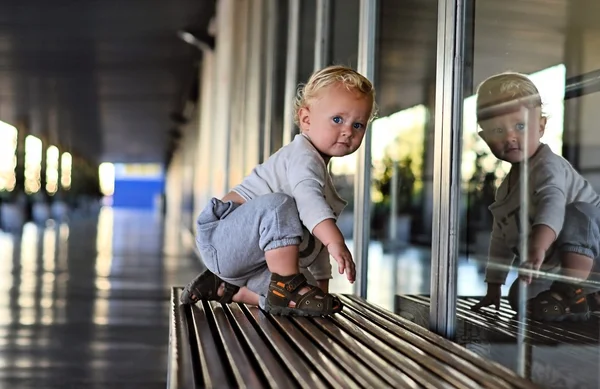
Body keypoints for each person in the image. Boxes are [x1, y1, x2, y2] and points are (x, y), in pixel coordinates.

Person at [179, 65, 377, 316]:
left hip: (252, 259)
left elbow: (315, 245)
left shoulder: (321, 178)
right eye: (337, 119)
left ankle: (228, 289)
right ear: (306, 120)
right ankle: (284, 286)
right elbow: (309, 204)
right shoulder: (302, 157)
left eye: (358, 125)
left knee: (302, 297)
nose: (348, 130)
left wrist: (321, 289)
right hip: (221, 240)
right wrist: (335, 240)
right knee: (279, 205)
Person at [471, 72, 600, 321]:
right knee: (519, 296)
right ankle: (579, 301)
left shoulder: (547, 165)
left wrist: (537, 247)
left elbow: (552, 203)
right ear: (485, 138)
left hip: (593, 252)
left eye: (520, 126)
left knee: (579, 213)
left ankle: (571, 289)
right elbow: (500, 237)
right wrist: (494, 284)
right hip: (554, 263)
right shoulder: (506, 189)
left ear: (540, 127)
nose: (510, 136)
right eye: (498, 130)